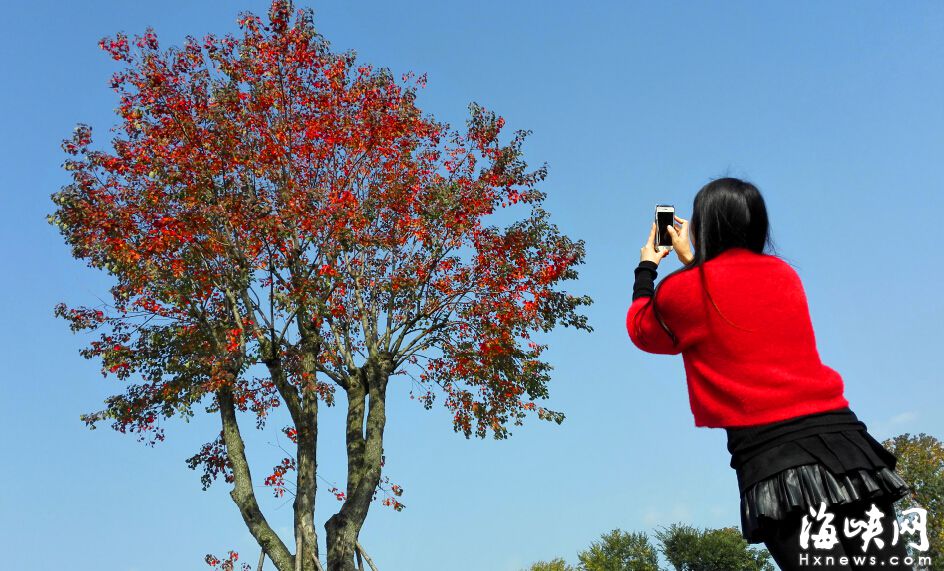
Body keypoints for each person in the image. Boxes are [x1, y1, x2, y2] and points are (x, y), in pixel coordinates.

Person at [626, 177, 916, 570]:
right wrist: (694, 262)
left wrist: (647, 265)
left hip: (775, 460)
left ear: (704, 224)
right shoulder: (783, 275)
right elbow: (731, 304)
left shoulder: (684, 292)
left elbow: (644, 330)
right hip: (847, 448)